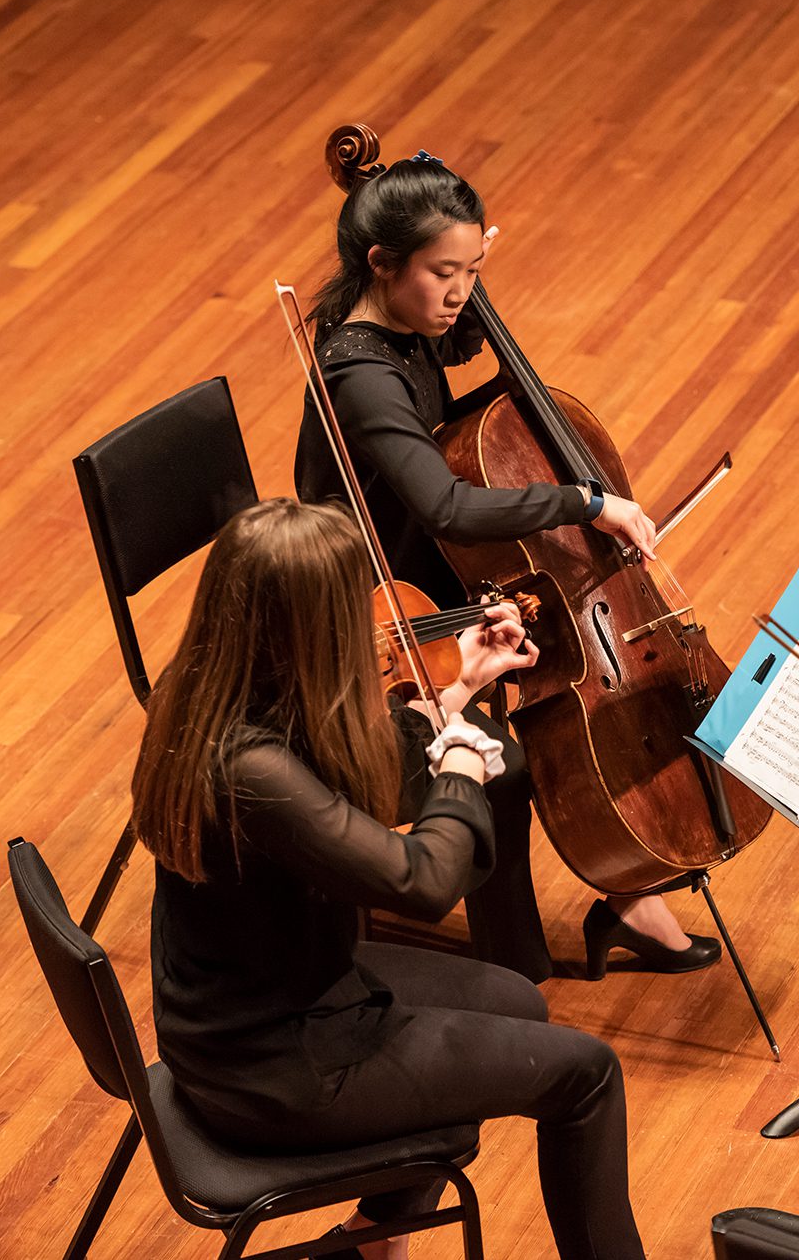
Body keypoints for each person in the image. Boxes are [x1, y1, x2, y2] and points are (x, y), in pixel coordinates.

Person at [131, 498, 645, 1260]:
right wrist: (464, 757)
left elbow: (358, 787)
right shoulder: (252, 770)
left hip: (259, 994)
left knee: (518, 997)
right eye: (349, 609)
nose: (371, 633)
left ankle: (373, 1241)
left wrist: (455, 694)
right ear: (308, 627)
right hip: (277, 1065)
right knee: (588, 1073)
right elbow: (424, 879)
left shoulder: (208, 685)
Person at [295, 130, 715, 982]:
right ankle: (510, 964)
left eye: (471, 273)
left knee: (541, 659)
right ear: (381, 262)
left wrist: (472, 273)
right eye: (442, 275)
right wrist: (585, 499)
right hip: (375, 605)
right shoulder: (360, 375)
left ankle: (630, 893)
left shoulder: (406, 324)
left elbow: (450, 353)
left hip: (428, 566)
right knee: (506, 763)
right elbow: (448, 502)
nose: (458, 296)